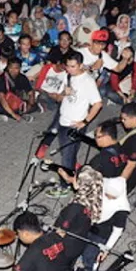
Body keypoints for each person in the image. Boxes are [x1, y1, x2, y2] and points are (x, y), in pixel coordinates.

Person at [36, 51, 103, 196]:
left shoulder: (87, 81)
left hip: (74, 125)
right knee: (69, 154)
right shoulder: (68, 76)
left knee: (66, 156)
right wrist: (63, 94)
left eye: (73, 66)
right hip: (62, 120)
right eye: (68, 66)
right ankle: (73, 175)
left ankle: (64, 186)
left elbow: (98, 104)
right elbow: (60, 98)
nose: (70, 69)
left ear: (80, 65)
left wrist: (84, 122)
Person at [0, 57, 38, 122]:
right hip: (2, 101)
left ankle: (14, 113)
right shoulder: (1, 79)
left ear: (20, 68)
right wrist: (14, 115)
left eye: (16, 68)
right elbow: (2, 99)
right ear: (7, 67)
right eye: (11, 68)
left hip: (15, 100)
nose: (13, 70)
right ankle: (14, 114)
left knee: (34, 106)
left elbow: (31, 92)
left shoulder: (22, 78)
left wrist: (29, 105)